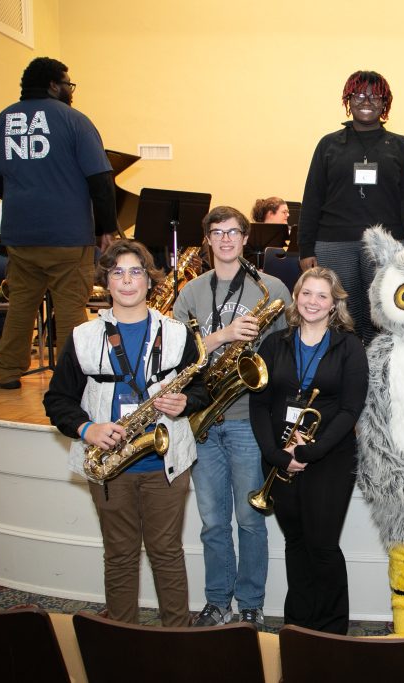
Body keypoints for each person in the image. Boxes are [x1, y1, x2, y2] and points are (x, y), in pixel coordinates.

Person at [43, 240, 209, 627]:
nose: (127, 280)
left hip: (165, 462)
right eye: (117, 272)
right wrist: (88, 427)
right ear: (107, 281)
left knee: (167, 553)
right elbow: (57, 400)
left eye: (135, 271)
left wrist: (186, 401)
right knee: (118, 555)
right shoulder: (83, 336)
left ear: (149, 281)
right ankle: (120, 640)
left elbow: (201, 389)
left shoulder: (178, 333)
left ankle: (177, 640)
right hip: (111, 467)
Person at [172, 206, 291, 630]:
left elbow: (286, 352)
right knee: (212, 523)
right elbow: (176, 354)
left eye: (233, 232)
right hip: (203, 418)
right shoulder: (191, 292)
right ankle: (216, 600)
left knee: (250, 521)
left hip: (246, 418)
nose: (225, 239)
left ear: (245, 238)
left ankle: (251, 603)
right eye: (217, 232)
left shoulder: (271, 288)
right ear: (207, 239)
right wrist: (222, 336)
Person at [0, 56, 117, 390]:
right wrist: (106, 227)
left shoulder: (2, 120)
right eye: (68, 84)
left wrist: (20, 196)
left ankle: (7, 371)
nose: (70, 91)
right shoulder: (74, 121)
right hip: (67, 235)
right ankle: (73, 379)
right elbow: (100, 179)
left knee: (22, 305)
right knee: (71, 307)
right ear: (54, 84)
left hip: (20, 235)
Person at [249, 266, 367, 633]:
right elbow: (259, 404)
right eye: (306, 293)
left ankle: (331, 630)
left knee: (322, 544)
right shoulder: (274, 344)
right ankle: (298, 625)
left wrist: (308, 454)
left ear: (334, 304)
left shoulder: (348, 346)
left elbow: (351, 408)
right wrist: (277, 454)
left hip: (329, 458)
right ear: (296, 297)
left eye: (322, 296)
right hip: (281, 458)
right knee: (295, 542)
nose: (312, 301)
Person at [298, 70, 404, 344]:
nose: (366, 100)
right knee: (342, 317)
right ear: (348, 100)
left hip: (387, 243)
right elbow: (312, 197)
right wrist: (306, 248)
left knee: (384, 315)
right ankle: (347, 373)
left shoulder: (401, 145)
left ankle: (379, 376)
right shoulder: (328, 144)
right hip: (334, 242)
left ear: (385, 104)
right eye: (359, 94)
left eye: (375, 96)